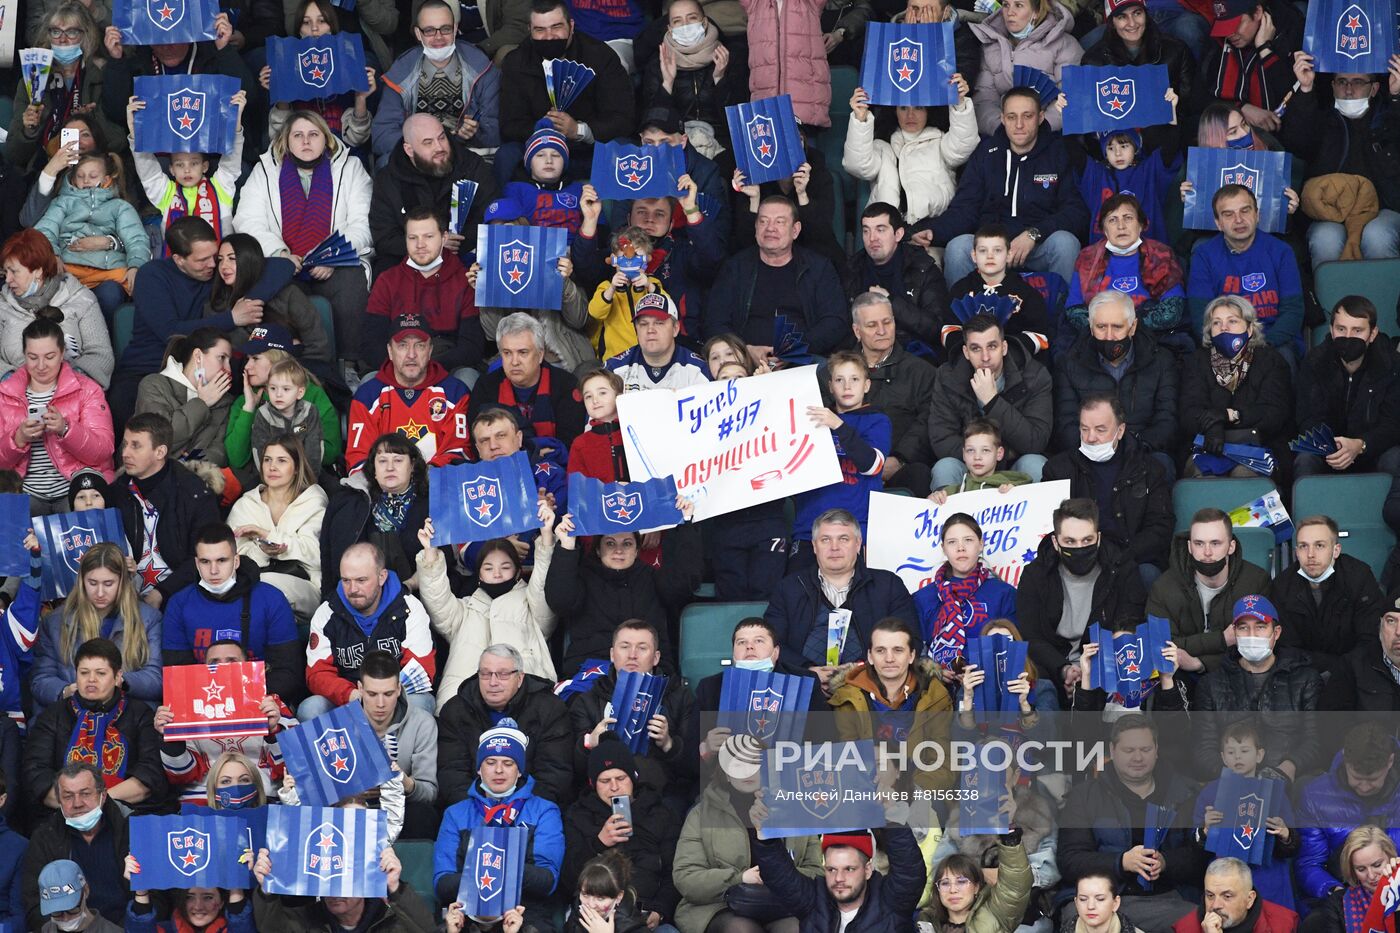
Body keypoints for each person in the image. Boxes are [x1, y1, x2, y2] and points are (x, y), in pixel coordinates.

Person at [110, 218, 286, 429]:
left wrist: (248, 303)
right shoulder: (153, 274)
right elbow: (169, 332)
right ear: (178, 259)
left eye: (215, 256)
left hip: (208, 369)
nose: (213, 264)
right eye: (203, 259)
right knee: (128, 413)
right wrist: (232, 318)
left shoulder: (216, 274)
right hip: (150, 366)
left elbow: (282, 266)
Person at [233, 110, 373, 367]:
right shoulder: (265, 170)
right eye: (298, 135)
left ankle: (349, 363)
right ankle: (287, 364)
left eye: (313, 134)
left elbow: (362, 224)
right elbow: (247, 222)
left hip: (333, 266)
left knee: (352, 280)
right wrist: (280, 255)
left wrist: (333, 255)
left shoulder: (350, 167)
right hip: (284, 266)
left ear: (327, 138)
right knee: (272, 286)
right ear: (286, 140)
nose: (306, 141)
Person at [1059, 714, 1206, 931]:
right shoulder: (1085, 796)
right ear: (1113, 751)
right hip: (1104, 898)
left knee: (1202, 919)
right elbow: (1069, 860)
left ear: (1156, 750)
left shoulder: (1186, 794)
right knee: (1079, 917)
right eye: (1129, 750)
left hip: (1170, 899)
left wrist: (1166, 862)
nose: (1138, 757)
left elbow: (1200, 858)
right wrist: (1121, 862)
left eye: (1145, 750)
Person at [930, 88, 1089, 287]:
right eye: (1012, 117)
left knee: (1066, 243)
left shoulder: (1058, 152)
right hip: (991, 248)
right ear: (1002, 119)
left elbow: (1076, 212)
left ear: (1040, 117)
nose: (1019, 125)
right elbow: (965, 209)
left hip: (1036, 247)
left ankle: (1065, 316)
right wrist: (931, 231)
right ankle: (961, 317)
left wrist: (1034, 233)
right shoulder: (986, 153)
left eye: (1027, 116)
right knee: (957, 248)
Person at [673, 731, 825, 933]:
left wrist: (781, 877)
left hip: (782, 905)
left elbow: (817, 872)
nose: (747, 772)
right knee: (742, 930)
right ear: (726, 773)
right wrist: (740, 878)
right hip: (719, 906)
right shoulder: (701, 815)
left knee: (795, 929)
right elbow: (686, 877)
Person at [765, 508, 919, 689]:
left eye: (843, 539)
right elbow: (771, 644)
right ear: (814, 546)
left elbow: (910, 639)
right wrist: (807, 672)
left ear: (858, 543)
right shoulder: (789, 588)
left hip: (873, 688)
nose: (834, 547)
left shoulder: (888, 585)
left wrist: (863, 671)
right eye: (825, 540)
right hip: (805, 690)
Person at [1016, 497, 1148, 707]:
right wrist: (1065, 670)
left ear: (1098, 538)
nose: (1079, 548)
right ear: (1055, 542)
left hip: (1105, 664)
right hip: (1052, 667)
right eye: (1070, 542)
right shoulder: (1036, 575)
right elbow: (1030, 636)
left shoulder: (1122, 569)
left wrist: (1090, 673)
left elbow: (1128, 624)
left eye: (1087, 540)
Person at [417, 510, 559, 701]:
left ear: (518, 572)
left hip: (525, 703)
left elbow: (542, 583)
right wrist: (430, 551)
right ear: (479, 574)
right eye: (489, 568)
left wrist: (546, 536)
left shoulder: (532, 607)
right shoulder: (464, 610)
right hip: (465, 705)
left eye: (506, 567)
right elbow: (436, 599)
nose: (497, 574)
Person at [545, 501, 701, 675]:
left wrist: (686, 521)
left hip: (648, 671)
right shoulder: (583, 576)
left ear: (636, 550)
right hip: (591, 675)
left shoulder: (651, 577)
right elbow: (559, 601)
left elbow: (686, 582)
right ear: (598, 549)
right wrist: (567, 546)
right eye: (610, 543)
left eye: (627, 544)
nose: (618, 550)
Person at [160, 523, 303, 703]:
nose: (213, 570)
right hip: (202, 704)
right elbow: (176, 675)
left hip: (261, 701)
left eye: (222, 560)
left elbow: (288, 673)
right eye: (205, 561)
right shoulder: (179, 604)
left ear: (236, 561)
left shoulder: (271, 599)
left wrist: (239, 697)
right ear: (196, 563)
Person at [432, 722, 565, 910]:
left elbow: (547, 882)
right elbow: (442, 884)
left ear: (519, 770)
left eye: (508, 763)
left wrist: (491, 868)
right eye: (490, 762)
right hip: (467, 911)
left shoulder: (545, 811)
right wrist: (503, 869)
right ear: (479, 768)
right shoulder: (455, 814)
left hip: (526, 911)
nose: (499, 770)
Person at [1295, 296, 1400, 534]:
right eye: (1341, 329)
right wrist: (1330, 445)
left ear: (1372, 334)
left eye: (1357, 330)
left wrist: (1360, 445)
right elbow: (1306, 417)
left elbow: (1394, 424)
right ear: (1331, 330)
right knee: (1304, 458)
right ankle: (1309, 534)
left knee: (1396, 458)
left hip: (1372, 448)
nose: (1348, 336)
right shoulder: (1314, 362)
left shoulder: (1392, 365)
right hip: (1328, 448)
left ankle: (1391, 537)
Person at [1284, 54, 1400, 266]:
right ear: (1333, 85)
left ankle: (1376, 299)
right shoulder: (1322, 120)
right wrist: (1306, 89)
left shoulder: (1387, 118)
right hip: (1330, 210)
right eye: (1341, 82)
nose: (1348, 89)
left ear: (1374, 89)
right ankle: (1333, 300)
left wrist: (1396, 97)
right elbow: (1296, 142)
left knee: (1378, 237)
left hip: (1382, 209)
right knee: (1324, 240)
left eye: (1358, 82)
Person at [23, 638, 165, 812]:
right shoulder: (54, 715)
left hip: (125, 811)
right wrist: (75, 806)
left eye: (100, 673)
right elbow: (36, 774)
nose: (91, 679)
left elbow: (150, 774)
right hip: (63, 814)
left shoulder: (140, 713)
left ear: (118, 676)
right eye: (84, 673)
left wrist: (97, 804)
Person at [1043, 394, 1173, 580]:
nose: (1090, 437)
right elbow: (1046, 526)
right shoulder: (1058, 470)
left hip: (1131, 558)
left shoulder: (1148, 469)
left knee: (1147, 574)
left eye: (1100, 430)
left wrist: (1121, 558)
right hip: (1077, 556)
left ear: (1120, 431)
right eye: (1084, 429)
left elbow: (1160, 527)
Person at [496, 0, 634, 176]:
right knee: (507, 155)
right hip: (538, 152)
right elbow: (509, 126)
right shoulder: (516, 62)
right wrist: (541, 129)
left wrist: (578, 130)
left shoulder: (600, 56)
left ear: (571, 26)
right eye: (540, 30)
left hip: (588, 149)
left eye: (556, 27)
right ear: (529, 31)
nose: (549, 36)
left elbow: (623, 119)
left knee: (623, 147)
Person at [1190, 595, 1321, 780]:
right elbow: (1203, 749)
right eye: (1243, 628)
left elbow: (1315, 741)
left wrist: (1288, 768)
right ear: (1234, 633)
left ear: (1276, 632)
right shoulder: (1211, 684)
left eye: (1260, 626)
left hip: (1290, 782)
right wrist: (1232, 778)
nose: (1251, 635)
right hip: (1229, 783)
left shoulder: (1306, 679)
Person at [303, 542, 436, 720]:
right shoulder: (327, 613)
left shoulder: (409, 608)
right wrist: (352, 695)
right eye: (346, 581)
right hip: (350, 699)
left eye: (361, 580)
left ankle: (394, 748)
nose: (353, 589)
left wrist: (380, 697)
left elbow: (422, 670)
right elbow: (317, 674)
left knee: (420, 703)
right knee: (311, 708)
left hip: (395, 698)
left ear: (382, 576)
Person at [704, 197, 848, 360]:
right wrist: (745, 351)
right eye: (764, 221)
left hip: (804, 359)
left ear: (795, 230)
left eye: (779, 222)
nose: (770, 228)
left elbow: (835, 321)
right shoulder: (735, 268)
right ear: (756, 227)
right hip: (744, 362)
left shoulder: (818, 267)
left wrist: (794, 349)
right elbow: (715, 321)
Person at [566, 620, 698, 796]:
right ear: (612, 654)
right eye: (625, 647)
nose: (632, 655)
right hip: (604, 798)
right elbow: (575, 771)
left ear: (656, 657)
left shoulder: (680, 697)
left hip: (662, 799)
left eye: (642, 648)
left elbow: (695, 768)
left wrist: (668, 744)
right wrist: (590, 743)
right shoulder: (587, 701)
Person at [0, 311, 114, 513]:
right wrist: (17, 439)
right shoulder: (6, 394)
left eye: (50, 357)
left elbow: (103, 451)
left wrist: (66, 429)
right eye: (33, 357)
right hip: (24, 492)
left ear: (62, 353)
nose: (41, 366)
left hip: (77, 491)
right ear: (24, 355)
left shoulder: (87, 390)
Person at [30, 543, 162, 716]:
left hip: (128, 719)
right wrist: (66, 691)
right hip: (72, 716)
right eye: (92, 583)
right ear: (81, 581)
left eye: (108, 583)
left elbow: (157, 680)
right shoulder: (55, 621)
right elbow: (40, 680)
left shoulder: (148, 618)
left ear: (122, 582)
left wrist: (119, 681)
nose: (100, 592)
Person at [563, 735, 682, 926]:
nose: (614, 787)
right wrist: (598, 843)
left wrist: (660, 909)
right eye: (605, 780)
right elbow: (568, 879)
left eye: (621, 778)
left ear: (633, 778)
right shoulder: (578, 815)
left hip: (646, 910)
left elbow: (674, 872)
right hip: (595, 913)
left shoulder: (659, 812)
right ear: (593, 784)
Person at [1053, 290, 1179, 470]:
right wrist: (1098, 447)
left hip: (1143, 452)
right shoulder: (1070, 362)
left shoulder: (1160, 361)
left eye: (1117, 327)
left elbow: (1167, 421)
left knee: (1162, 464)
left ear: (1133, 327)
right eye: (1101, 327)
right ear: (1090, 327)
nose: (1109, 336)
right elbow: (1066, 425)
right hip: (1088, 453)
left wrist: (1132, 446)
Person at [436, 643, 575, 806]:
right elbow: (452, 773)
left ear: (520, 678)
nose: (493, 682)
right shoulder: (456, 710)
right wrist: (480, 811)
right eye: (486, 674)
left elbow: (554, 773)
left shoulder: (549, 708)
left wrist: (517, 811)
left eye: (502, 675)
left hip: (532, 810)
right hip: (473, 810)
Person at [154, 644, 292, 805]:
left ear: (247, 666)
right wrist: (170, 737)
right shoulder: (185, 706)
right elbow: (181, 774)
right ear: (204, 669)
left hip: (261, 801)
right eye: (214, 663)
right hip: (203, 805)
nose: (223, 667)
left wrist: (274, 731)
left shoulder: (270, 703)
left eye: (232, 661)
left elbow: (293, 766)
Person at [1267, 516, 1381, 709]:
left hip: (1355, 671)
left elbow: (1369, 637)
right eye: (1303, 546)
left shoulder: (1358, 577)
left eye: (1319, 545)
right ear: (1296, 552)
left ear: (1335, 550)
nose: (1310, 554)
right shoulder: (1282, 585)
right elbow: (1287, 647)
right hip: (1303, 673)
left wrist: (1341, 669)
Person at [828, 617, 954, 791]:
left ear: (911, 656)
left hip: (921, 795)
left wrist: (909, 794)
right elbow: (845, 763)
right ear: (870, 657)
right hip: (866, 796)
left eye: (898, 650)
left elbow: (943, 763)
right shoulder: (848, 698)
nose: (889, 658)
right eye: (880, 650)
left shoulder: (934, 696)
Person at [928, 313, 1053, 490]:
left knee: (1035, 464)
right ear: (966, 352)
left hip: (1013, 464)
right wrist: (981, 457)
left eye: (992, 346)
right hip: (970, 464)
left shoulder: (1035, 375)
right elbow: (942, 438)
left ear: (1004, 347)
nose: (985, 357)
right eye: (976, 349)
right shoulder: (948, 376)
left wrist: (992, 402)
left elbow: (1036, 440)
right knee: (945, 467)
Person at [111, 413, 221, 608]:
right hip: (122, 593)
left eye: (135, 445)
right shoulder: (117, 492)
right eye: (125, 444)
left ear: (160, 452)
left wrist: (162, 593)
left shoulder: (195, 494)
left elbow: (203, 556)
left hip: (180, 595)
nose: (125, 453)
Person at [841, 75, 978, 231]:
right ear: (894, 111)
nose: (910, 115)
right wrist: (860, 120)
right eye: (903, 108)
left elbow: (963, 147)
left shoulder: (941, 141)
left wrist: (960, 104)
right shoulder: (881, 146)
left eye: (918, 107)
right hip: (888, 234)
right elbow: (857, 166)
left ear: (928, 111)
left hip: (932, 230)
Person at [1186, 185, 1304, 364]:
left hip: (1273, 341)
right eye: (1228, 214)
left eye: (1245, 211)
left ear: (1257, 215)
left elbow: (1293, 311)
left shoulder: (1281, 251)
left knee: (1282, 359)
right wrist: (1227, 345)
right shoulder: (1204, 255)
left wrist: (1261, 346)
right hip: (1223, 340)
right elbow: (1200, 316)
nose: (1239, 220)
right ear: (1218, 223)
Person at [749, 815, 927, 933]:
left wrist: (893, 821)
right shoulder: (814, 899)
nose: (839, 878)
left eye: (849, 869)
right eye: (831, 869)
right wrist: (766, 839)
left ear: (867, 869)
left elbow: (909, 871)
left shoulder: (891, 901)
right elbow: (780, 877)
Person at [1192, 721, 1300, 911]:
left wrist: (1285, 834)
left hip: (1269, 874)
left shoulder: (1274, 793)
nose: (1237, 757)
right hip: (1226, 875)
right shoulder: (1211, 793)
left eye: (1244, 751)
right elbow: (1194, 843)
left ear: (1259, 755)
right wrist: (1205, 830)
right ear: (1223, 757)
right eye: (1231, 752)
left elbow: (1293, 843)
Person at [1147, 508, 1271, 674]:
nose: (1207, 553)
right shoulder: (1164, 588)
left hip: (1241, 673)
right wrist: (1222, 639)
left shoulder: (1255, 582)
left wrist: (1200, 663)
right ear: (1190, 547)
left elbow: (1259, 647)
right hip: (1180, 673)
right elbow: (1161, 647)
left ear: (1231, 546)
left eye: (1215, 543)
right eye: (1199, 544)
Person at [1179, 295, 1292, 477]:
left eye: (1232, 321)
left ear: (1249, 328)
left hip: (1259, 446)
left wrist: (1230, 416)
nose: (1224, 327)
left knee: (1244, 473)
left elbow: (1274, 413)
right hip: (1208, 447)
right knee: (1202, 473)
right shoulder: (1196, 361)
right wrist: (1211, 427)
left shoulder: (1270, 360)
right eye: (1216, 323)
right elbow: (1187, 411)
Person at [370, 114, 497, 274]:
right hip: (410, 259)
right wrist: (430, 244)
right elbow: (384, 237)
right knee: (385, 268)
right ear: (409, 149)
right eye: (428, 143)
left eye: (442, 138)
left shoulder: (472, 166)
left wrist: (458, 243)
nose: (439, 148)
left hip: (463, 254)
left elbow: (490, 215)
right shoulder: (388, 180)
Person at [346, 313, 473, 472]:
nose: (411, 355)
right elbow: (358, 459)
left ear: (430, 350)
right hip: (385, 490)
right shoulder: (367, 397)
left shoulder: (455, 393)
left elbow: (459, 452)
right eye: (402, 345)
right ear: (390, 351)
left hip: (439, 488)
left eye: (419, 345)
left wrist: (422, 480)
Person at [33, 151, 150, 323]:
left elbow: (136, 239)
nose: (86, 180)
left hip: (108, 273)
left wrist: (136, 265)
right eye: (80, 176)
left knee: (110, 295)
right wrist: (53, 254)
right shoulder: (62, 202)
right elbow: (45, 230)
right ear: (73, 180)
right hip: (69, 270)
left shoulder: (120, 207)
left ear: (106, 179)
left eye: (93, 175)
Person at [364, 208, 484, 375]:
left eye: (428, 237)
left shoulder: (464, 281)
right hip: (397, 368)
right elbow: (372, 344)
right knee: (369, 380)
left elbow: (471, 347)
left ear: (444, 238)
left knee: (468, 376)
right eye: (413, 238)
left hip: (447, 368)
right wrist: (406, 368)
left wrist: (427, 368)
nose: (420, 245)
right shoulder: (387, 281)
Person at [6, 3, 123, 174]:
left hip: (94, 171)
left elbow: (118, 142)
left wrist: (88, 122)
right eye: (56, 32)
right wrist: (29, 130)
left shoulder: (102, 75)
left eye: (71, 32)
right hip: (45, 171)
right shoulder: (33, 79)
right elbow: (14, 155)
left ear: (86, 35)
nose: (62, 39)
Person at [790, 351, 889, 552]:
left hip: (858, 530)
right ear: (830, 387)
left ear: (866, 385)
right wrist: (765, 385)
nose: (847, 386)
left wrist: (839, 426)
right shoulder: (812, 418)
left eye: (854, 379)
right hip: (809, 529)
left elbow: (873, 466)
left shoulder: (877, 421)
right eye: (839, 380)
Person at [1295, 722, 1400, 902]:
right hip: (1342, 894)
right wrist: (1337, 894)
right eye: (1357, 778)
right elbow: (1309, 863)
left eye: (1373, 779)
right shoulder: (1314, 796)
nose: (1365, 787)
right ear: (1345, 759)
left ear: (1390, 762)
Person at [127, 89, 246, 247]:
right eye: (179, 164)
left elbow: (231, 162)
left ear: (205, 166)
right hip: (177, 267)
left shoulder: (220, 188)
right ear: (171, 170)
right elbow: (147, 170)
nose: (187, 170)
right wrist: (134, 130)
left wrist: (236, 121)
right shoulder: (166, 192)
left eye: (194, 163)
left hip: (217, 266)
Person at [1063, 195, 1187, 346]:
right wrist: (1106, 329)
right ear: (1104, 230)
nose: (1121, 226)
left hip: (1150, 339)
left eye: (1128, 218)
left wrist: (1125, 328)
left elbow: (1172, 311)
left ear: (1141, 225)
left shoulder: (1161, 255)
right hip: (1099, 340)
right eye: (1112, 220)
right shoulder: (1087, 258)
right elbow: (1073, 309)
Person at [21, 763, 130, 930]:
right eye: (68, 796)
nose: (77, 803)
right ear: (59, 801)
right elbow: (35, 905)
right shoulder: (45, 838)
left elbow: (154, 897)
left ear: (103, 795)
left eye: (85, 793)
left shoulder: (131, 830)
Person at [849, 291, 937, 496]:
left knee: (920, 474)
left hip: (898, 466)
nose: (882, 331)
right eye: (872, 325)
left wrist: (900, 458)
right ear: (857, 331)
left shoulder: (921, 371)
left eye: (887, 322)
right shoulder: (837, 371)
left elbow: (927, 421)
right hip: (849, 467)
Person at [323, 432, 433, 595]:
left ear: (412, 466)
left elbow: (442, 562)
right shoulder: (348, 502)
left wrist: (408, 586)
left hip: (416, 597)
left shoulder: (432, 503)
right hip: (355, 597)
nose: (390, 468)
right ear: (373, 468)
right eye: (382, 461)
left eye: (398, 460)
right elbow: (328, 559)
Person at [227, 326, 342, 479]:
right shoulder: (245, 400)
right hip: (262, 485)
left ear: (278, 361)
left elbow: (331, 452)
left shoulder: (312, 394)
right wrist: (249, 409)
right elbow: (236, 459)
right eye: (247, 359)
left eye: (255, 358)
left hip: (307, 480)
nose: (247, 366)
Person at [258, 0, 377, 148]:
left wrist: (361, 97)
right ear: (298, 29)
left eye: (322, 21)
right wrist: (280, 92)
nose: (314, 28)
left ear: (332, 27)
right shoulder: (286, 66)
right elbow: (279, 139)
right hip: (299, 155)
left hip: (341, 158)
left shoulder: (350, 65)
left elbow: (357, 140)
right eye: (306, 23)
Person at [0, 229, 111, 387]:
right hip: (14, 398)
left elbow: (101, 355)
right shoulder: (2, 304)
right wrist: (13, 382)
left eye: (14, 272)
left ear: (38, 271)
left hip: (73, 395)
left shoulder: (81, 299)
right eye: (6, 272)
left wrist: (67, 384)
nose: (8, 279)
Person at [208, 233, 332, 369]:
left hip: (295, 378)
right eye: (220, 259)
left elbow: (318, 347)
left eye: (232, 258)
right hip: (245, 379)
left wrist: (291, 378)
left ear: (249, 261)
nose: (224, 266)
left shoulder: (287, 294)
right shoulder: (216, 306)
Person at [133, 329, 234, 496]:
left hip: (195, 489)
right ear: (198, 357)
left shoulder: (224, 401)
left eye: (229, 361)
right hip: (148, 485)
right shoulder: (154, 385)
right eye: (222, 358)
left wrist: (182, 463)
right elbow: (159, 439)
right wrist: (201, 403)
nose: (228, 369)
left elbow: (218, 452)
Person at [468, 313, 588, 448]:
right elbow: (478, 442)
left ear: (540, 355)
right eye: (507, 353)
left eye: (523, 352)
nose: (514, 362)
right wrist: (535, 450)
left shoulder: (566, 384)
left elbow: (571, 443)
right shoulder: (486, 387)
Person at [252, 842, 433, 931]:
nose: (334, 891)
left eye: (343, 880)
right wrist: (267, 890)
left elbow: (426, 930)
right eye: (328, 879)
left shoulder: (392, 920)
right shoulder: (306, 920)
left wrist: (395, 887)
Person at [844, 205, 951, 354]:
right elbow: (842, 326)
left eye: (880, 230)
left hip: (915, 355)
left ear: (898, 234)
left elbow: (937, 328)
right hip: (865, 356)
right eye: (866, 231)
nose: (872, 238)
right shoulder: (852, 268)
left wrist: (890, 302)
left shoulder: (923, 268)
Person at [968, 0, 1082, 137]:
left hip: (1051, 135)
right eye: (1006, 5)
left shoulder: (1064, 44)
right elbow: (984, 99)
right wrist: (1003, 129)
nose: (1010, 12)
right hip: (1002, 135)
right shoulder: (990, 46)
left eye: (1019, 5)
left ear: (1036, 12)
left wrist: (1040, 129)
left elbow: (1072, 97)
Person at [914, 512, 1018, 660]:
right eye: (952, 542)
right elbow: (914, 653)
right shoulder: (923, 598)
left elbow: (1015, 649)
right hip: (936, 681)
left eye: (968, 540)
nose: (960, 548)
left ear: (981, 544)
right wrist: (934, 670)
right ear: (943, 548)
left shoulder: (1004, 593)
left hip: (988, 680)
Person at [358, 650, 439, 840]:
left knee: (424, 815)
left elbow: (429, 793)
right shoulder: (340, 723)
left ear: (399, 689)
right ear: (360, 689)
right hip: (355, 808)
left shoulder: (422, 723)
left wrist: (404, 782)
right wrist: (351, 791)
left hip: (402, 807)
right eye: (372, 694)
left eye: (388, 694)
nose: (380, 703)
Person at [639, 6, 744, 152]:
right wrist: (667, 84)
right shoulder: (659, 63)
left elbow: (738, 124)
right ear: (670, 28)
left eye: (692, 18)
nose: (685, 25)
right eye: (677, 21)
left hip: (722, 143)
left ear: (704, 22)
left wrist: (720, 79)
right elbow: (654, 125)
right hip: (676, 143)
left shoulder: (726, 56)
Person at [941, 225, 1055, 358]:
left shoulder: (1027, 294)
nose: (990, 256)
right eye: (983, 251)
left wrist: (1001, 352)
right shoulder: (960, 290)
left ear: (1009, 255)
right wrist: (973, 353)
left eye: (997, 250)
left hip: (1013, 363)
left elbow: (1039, 336)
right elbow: (948, 331)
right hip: (968, 362)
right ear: (974, 256)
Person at [1081, 0, 1195, 126]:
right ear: (1112, 22)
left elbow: (1191, 108)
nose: (1132, 23)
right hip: (1117, 141)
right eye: (1122, 16)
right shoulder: (1093, 61)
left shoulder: (1176, 50)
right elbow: (1091, 121)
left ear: (1146, 14)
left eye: (1137, 13)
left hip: (1166, 136)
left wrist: (1172, 117)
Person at [1199, 0, 1301, 130]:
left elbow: (1297, 104)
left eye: (1236, 24)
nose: (1230, 34)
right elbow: (1198, 100)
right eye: (1224, 26)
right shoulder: (1220, 43)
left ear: (1257, 12)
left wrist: (1265, 50)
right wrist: (1240, 109)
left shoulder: (1292, 33)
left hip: (1282, 136)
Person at [739, 0, 829, 129]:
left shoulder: (810, 3)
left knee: (807, 147)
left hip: (807, 105)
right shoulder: (755, 3)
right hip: (766, 106)